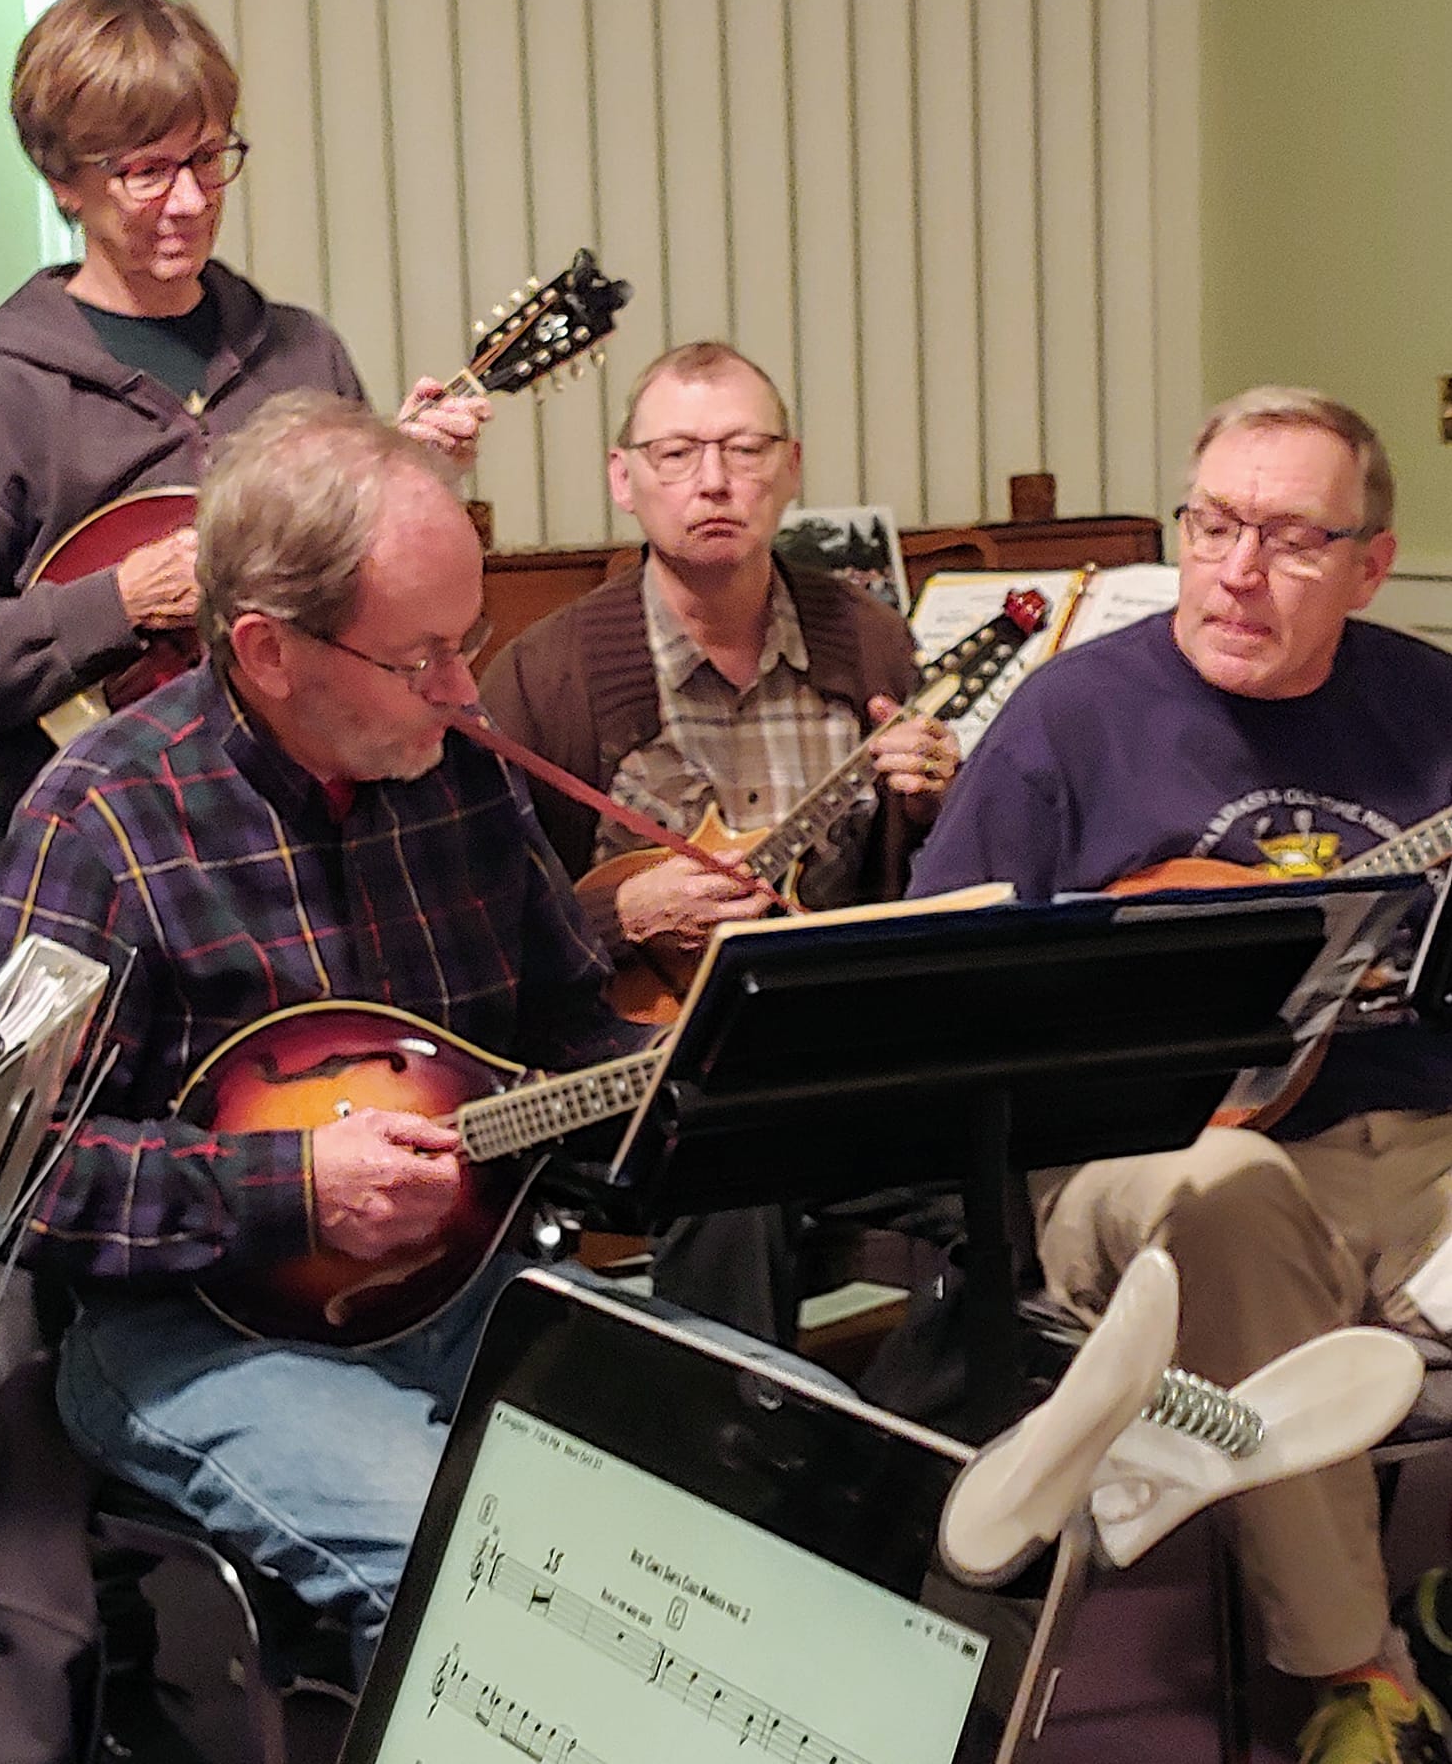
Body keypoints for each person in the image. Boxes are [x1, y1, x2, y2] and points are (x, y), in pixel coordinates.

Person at [0, 394, 636, 1690]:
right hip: (191, 1332)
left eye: (470, 635)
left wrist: (688, 1071)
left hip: (464, 1284)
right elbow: (0, 1168)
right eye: (419, 653)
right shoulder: (97, 817)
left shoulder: (457, 768)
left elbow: (572, 1032)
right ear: (266, 650)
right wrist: (291, 1185)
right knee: (470, 1559)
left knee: (763, 1452)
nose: (464, 686)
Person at [908, 386, 1452, 1764]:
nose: (1234, 568)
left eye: (1285, 536)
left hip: (1424, 1146)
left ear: (1368, 563)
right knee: (1229, 1190)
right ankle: (1355, 1675)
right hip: (1144, 1157)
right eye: (1210, 523)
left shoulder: (1428, 701)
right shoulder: (1070, 717)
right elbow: (930, 974)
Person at [479, 340, 959, 1343]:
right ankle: (723, 1451)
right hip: (637, 1066)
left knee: (1004, 1174)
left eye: (745, 450)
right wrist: (620, 912)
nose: (713, 481)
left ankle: (918, 1471)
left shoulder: (867, 641)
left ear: (790, 468)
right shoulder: (546, 675)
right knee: (730, 1153)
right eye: (675, 454)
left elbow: (928, 893)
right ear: (622, 478)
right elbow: (477, 930)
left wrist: (931, 807)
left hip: (836, 1050)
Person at [0, 0, 486, 844]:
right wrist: (117, 601)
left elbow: (358, 625)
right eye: (145, 172)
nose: (191, 202)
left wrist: (405, 486)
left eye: (205, 158)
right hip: (103, 840)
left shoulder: (300, 353)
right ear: (64, 182)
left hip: (309, 829)